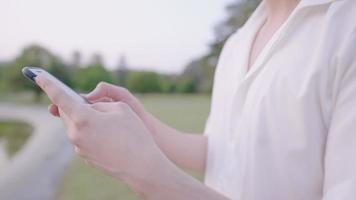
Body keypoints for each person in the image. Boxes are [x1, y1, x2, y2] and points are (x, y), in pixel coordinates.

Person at [36, 0, 356, 199]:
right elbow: (219, 149)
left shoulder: (346, 27)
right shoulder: (236, 43)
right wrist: (143, 122)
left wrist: (146, 173)